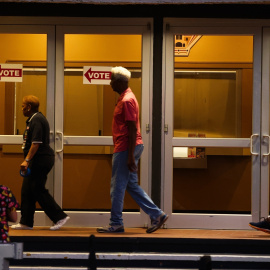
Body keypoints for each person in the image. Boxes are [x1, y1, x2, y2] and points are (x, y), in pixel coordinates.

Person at [97, 66, 168, 234]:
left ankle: (116, 223)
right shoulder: (125, 97)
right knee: (131, 185)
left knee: (117, 186)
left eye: (112, 79)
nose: (110, 83)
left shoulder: (127, 100)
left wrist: (129, 155)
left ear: (120, 81)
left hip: (126, 147)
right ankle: (157, 215)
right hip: (128, 146)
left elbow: (131, 128)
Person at [11, 95, 69, 231]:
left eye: (22, 106)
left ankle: (59, 217)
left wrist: (26, 160)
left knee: (37, 189)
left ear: (29, 107)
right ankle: (26, 222)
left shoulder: (37, 119)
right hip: (36, 159)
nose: (22, 109)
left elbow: (36, 143)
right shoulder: (33, 119)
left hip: (41, 159)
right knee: (27, 190)